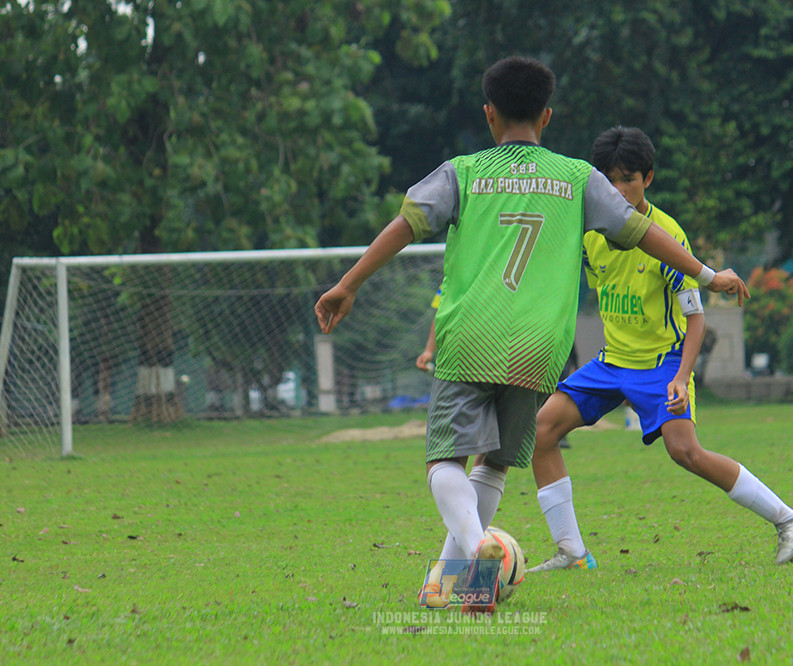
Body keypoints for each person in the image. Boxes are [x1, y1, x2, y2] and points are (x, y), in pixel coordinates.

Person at [314, 57, 749, 611]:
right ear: (546, 116)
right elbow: (644, 233)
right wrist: (709, 275)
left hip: (472, 334)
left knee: (444, 461)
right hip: (539, 347)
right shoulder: (577, 178)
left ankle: (483, 549)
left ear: (489, 114)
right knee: (493, 462)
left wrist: (348, 285)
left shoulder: (463, 172)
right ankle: (454, 585)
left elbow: (405, 226)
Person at [527, 126, 793, 573]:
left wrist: (681, 376)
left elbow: (695, 317)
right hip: (612, 362)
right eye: (609, 180)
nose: (619, 191)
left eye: (629, 179)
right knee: (542, 432)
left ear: (649, 178)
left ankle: (790, 519)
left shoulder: (667, 237)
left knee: (686, 453)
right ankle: (572, 551)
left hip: (661, 365)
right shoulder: (590, 232)